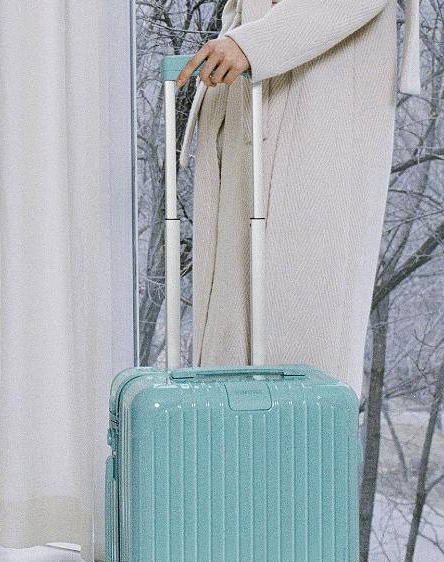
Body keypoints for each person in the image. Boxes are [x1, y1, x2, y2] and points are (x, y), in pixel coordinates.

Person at [176, 0, 419, 396]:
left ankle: (298, 449)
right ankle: (227, 452)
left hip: (325, 95)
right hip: (249, 95)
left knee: (305, 326)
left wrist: (257, 42)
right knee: (230, 340)